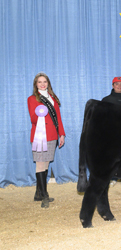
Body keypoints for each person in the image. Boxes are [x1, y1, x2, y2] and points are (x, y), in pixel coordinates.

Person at [27, 72, 65, 208]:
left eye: (45, 82)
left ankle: (38, 193)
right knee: (40, 164)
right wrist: (40, 113)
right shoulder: (32, 99)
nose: (42, 84)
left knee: (46, 163)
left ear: (48, 83)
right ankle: (44, 195)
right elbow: (33, 118)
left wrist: (61, 134)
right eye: (39, 82)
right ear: (35, 84)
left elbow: (58, 119)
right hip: (39, 136)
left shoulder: (53, 98)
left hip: (53, 135)